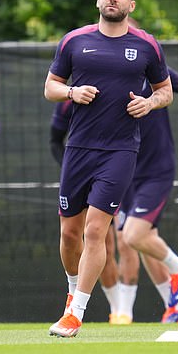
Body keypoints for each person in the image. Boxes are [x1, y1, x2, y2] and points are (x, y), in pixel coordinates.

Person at [44, 0, 173, 337]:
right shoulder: (74, 41)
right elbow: (50, 87)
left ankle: (76, 315)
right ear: (99, 0)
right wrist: (72, 93)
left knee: (96, 231)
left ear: (131, 4)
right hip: (78, 148)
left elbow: (166, 93)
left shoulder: (147, 45)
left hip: (120, 150)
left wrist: (149, 103)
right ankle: (72, 294)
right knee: (70, 234)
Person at [114, 66, 178, 324]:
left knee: (133, 235)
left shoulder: (149, 67)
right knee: (144, 241)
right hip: (124, 170)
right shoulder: (104, 71)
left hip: (156, 170)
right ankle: (173, 307)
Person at [49, 100, 122, 324]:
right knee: (71, 235)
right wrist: (70, 169)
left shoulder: (120, 89)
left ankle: (118, 311)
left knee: (104, 240)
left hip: (111, 170)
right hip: (77, 169)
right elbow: (55, 140)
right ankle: (73, 293)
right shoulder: (68, 100)